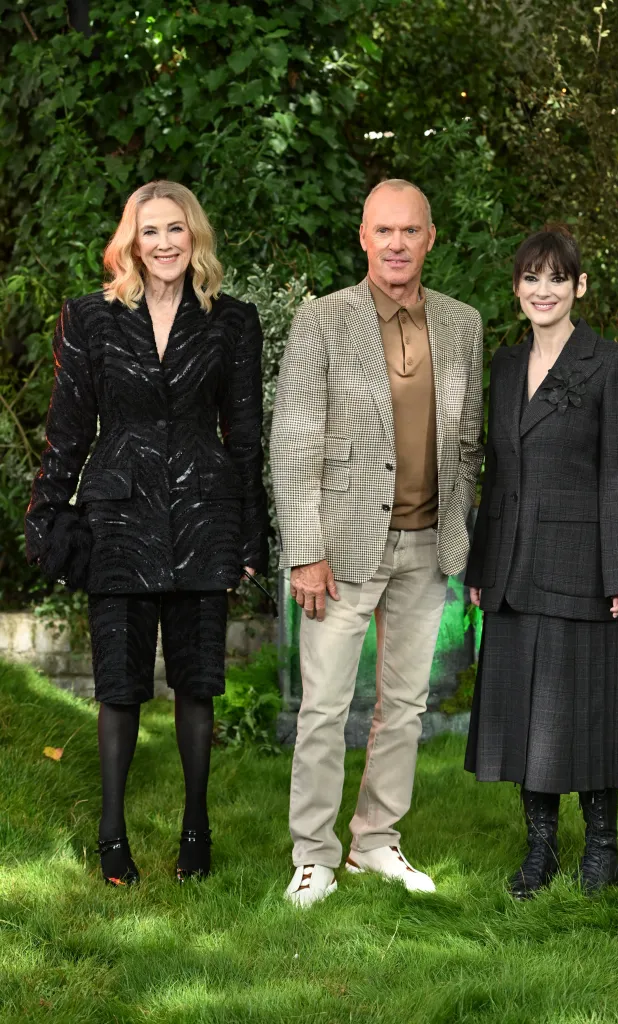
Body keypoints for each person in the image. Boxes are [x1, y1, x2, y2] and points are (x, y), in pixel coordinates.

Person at [25, 181, 269, 885]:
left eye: (175, 229)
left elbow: (245, 437)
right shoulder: (89, 319)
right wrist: (45, 516)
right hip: (118, 516)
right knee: (119, 686)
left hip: (204, 514)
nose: (164, 243)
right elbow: (67, 431)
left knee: (197, 683)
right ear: (131, 242)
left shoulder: (232, 322)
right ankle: (112, 839)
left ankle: (197, 832)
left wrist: (250, 538)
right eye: (150, 231)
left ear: (195, 236)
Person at [271, 179, 484, 906]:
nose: (396, 244)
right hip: (342, 549)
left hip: (427, 549)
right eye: (382, 231)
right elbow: (293, 441)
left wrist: (459, 531)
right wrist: (304, 548)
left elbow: (466, 443)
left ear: (430, 238)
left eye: (410, 231)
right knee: (325, 707)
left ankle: (376, 843)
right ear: (362, 238)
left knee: (406, 705)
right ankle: (313, 855)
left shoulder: (463, 324)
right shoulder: (323, 321)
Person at [464, 224, 618, 898]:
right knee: (521, 711)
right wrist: (481, 567)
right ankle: (539, 850)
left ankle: (602, 846)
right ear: (515, 288)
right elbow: (496, 473)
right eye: (531, 278)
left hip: (582, 563)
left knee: (588, 707)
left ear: (579, 287)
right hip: (510, 563)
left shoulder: (610, 362)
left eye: (556, 278)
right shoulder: (505, 365)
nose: (543, 290)